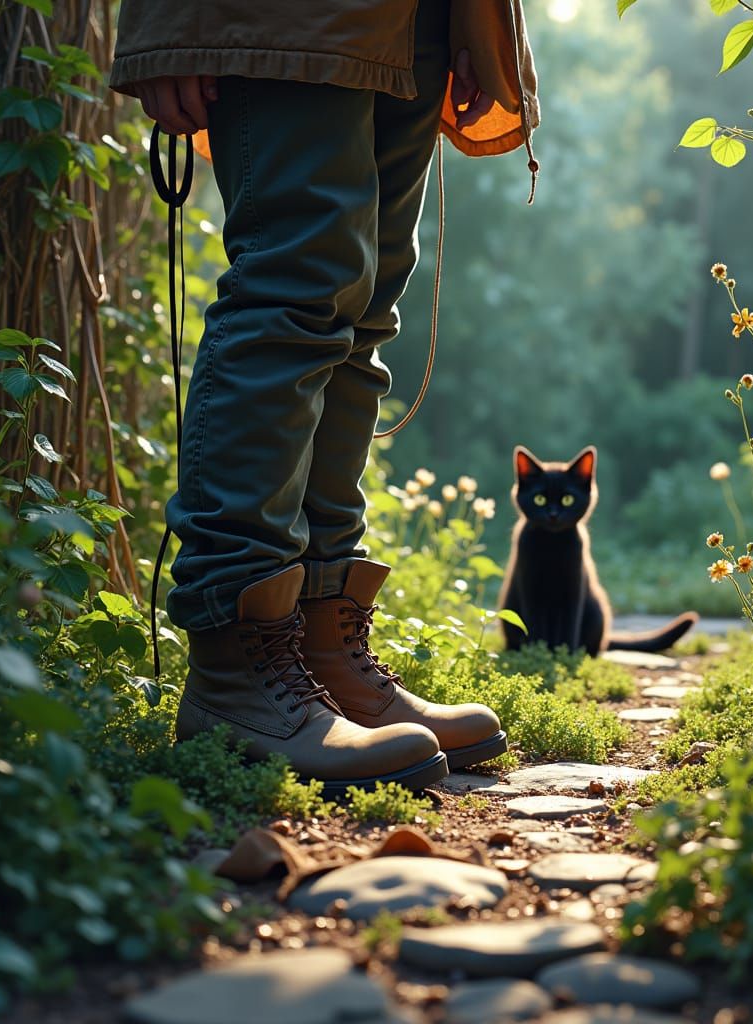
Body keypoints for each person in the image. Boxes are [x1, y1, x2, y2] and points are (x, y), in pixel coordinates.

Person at [109, 1, 540, 796]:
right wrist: (169, 24)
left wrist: (475, 24)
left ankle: (322, 650)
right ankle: (239, 670)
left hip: (414, 18)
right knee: (295, 291)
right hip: (285, 18)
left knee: (362, 311)